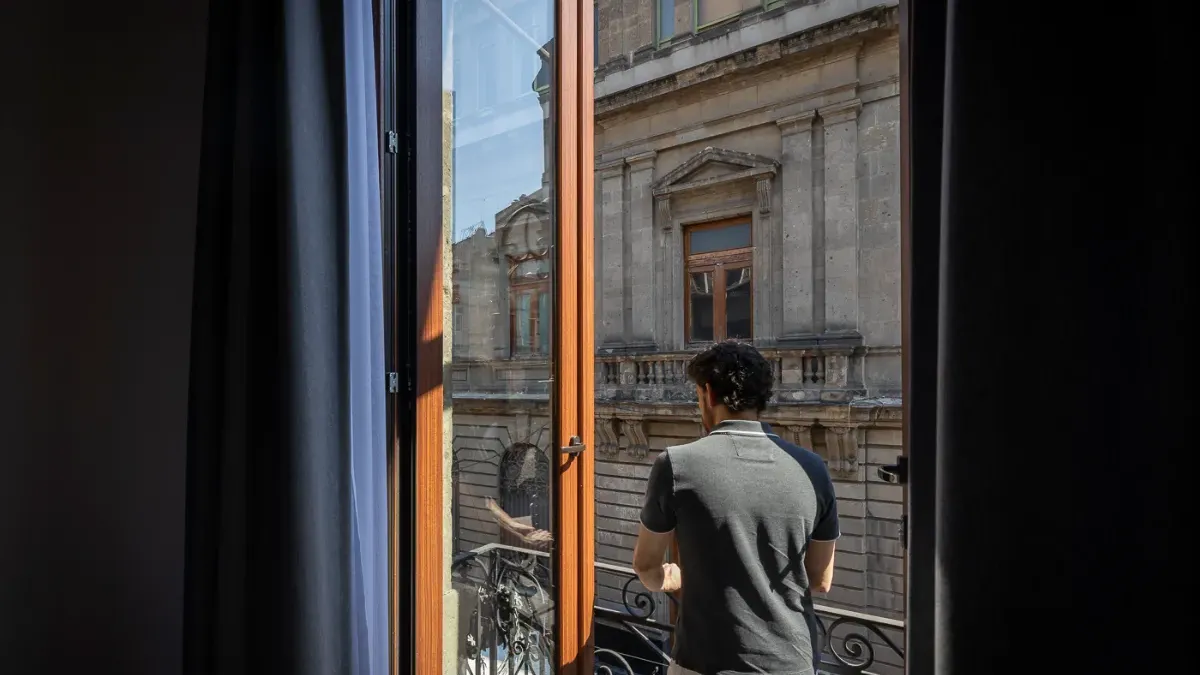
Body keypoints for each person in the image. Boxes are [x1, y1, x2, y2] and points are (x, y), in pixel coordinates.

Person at [633, 340, 839, 675]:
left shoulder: (676, 465)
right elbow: (820, 579)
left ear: (708, 394)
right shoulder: (813, 468)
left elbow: (646, 566)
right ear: (761, 399)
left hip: (705, 662)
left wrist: (670, 578)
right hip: (791, 663)